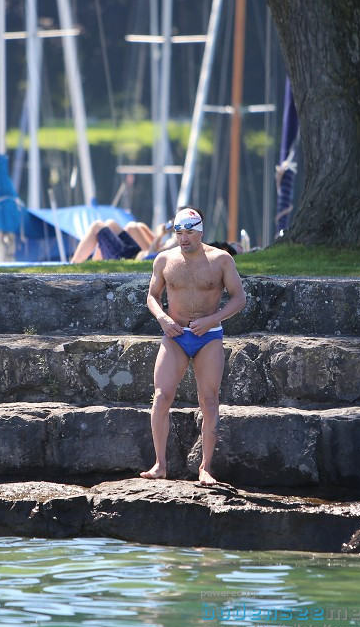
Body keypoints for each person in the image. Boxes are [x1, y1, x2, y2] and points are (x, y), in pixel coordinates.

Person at [140, 207, 246, 486]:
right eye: (179, 233)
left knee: (209, 401)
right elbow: (152, 296)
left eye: (189, 233)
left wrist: (212, 319)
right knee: (162, 396)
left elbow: (239, 299)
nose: (183, 239)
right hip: (174, 336)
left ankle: (205, 468)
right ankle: (160, 465)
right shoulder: (164, 259)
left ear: (200, 231)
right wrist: (163, 318)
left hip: (208, 337)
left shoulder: (221, 260)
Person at [70, 218, 174, 263]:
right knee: (111, 223)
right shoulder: (178, 240)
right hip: (135, 253)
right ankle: (96, 264)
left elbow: (152, 254)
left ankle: (74, 264)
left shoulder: (177, 243)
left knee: (97, 226)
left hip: (128, 258)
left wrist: (160, 235)